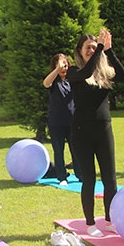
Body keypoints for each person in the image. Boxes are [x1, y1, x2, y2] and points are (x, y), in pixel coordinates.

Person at [67, 28, 124, 237]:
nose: (92, 50)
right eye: (88, 48)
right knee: (90, 180)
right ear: (80, 51)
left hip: (104, 131)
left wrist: (108, 51)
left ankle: (110, 220)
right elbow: (86, 73)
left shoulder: (103, 72)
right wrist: (100, 48)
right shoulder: (74, 72)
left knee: (110, 179)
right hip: (82, 133)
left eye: (94, 47)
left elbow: (123, 76)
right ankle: (90, 223)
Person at [43, 53, 82, 186]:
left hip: (72, 121)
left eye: (65, 64)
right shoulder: (53, 82)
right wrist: (57, 70)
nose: (63, 68)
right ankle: (62, 177)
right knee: (58, 150)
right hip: (56, 123)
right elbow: (45, 83)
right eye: (60, 65)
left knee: (76, 149)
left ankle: (80, 174)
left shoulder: (72, 80)